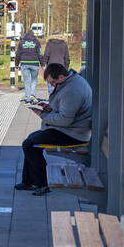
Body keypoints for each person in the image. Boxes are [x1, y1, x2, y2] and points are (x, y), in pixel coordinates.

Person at [17, 63, 92, 196]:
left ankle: (42, 184)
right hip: (71, 129)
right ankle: (29, 181)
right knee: (31, 141)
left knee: (30, 144)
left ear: (61, 77)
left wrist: (43, 114)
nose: (52, 85)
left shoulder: (71, 91)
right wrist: (50, 108)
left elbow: (65, 120)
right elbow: (65, 109)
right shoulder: (71, 81)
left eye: (52, 82)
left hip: (73, 134)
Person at [16, 30, 42, 103]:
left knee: (26, 81)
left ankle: (28, 98)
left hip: (24, 63)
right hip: (34, 63)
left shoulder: (21, 42)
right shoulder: (36, 42)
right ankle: (32, 94)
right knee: (34, 80)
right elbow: (40, 53)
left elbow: (18, 54)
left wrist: (16, 64)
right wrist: (42, 64)